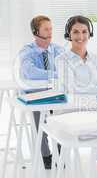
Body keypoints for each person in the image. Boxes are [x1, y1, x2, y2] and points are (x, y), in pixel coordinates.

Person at [19, 15, 64, 169]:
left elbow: (67, 67)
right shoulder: (27, 50)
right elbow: (30, 72)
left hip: (54, 91)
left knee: (62, 113)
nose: (50, 32)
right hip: (34, 93)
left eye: (51, 28)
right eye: (46, 29)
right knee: (40, 117)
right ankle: (46, 155)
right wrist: (55, 74)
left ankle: (61, 150)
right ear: (36, 31)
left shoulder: (57, 49)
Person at [55, 15, 97, 94]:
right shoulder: (61, 60)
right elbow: (72, 88)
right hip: (73, 105)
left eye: (84, 32)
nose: (80, 36)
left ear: (89, 34)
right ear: (69, 35)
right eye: (75, 32)